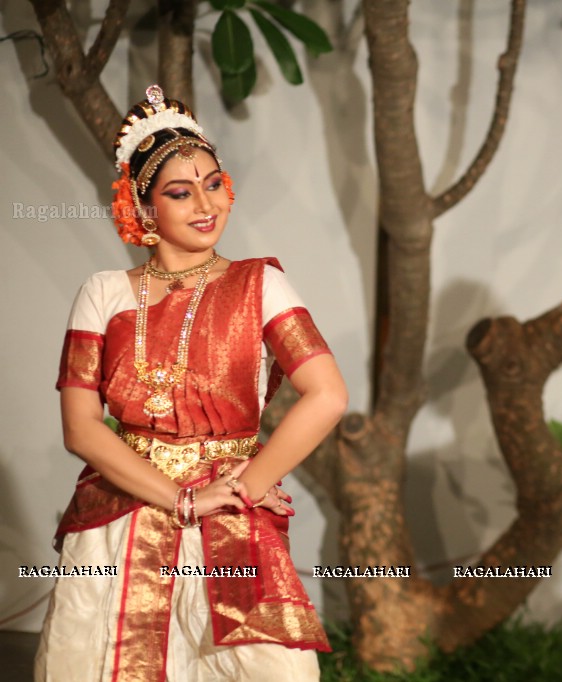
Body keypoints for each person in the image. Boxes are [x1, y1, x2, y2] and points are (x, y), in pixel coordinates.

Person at [35, 85, 348, 681]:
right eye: (180, 192)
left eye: (213, 183)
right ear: (145, 208)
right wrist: (181, 498)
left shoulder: (260, 285)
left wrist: (247, 484)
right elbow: (81, 428)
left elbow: (328, 394)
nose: (206, 203)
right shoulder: (104, 292)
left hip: (229, 512)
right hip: (121, 513)